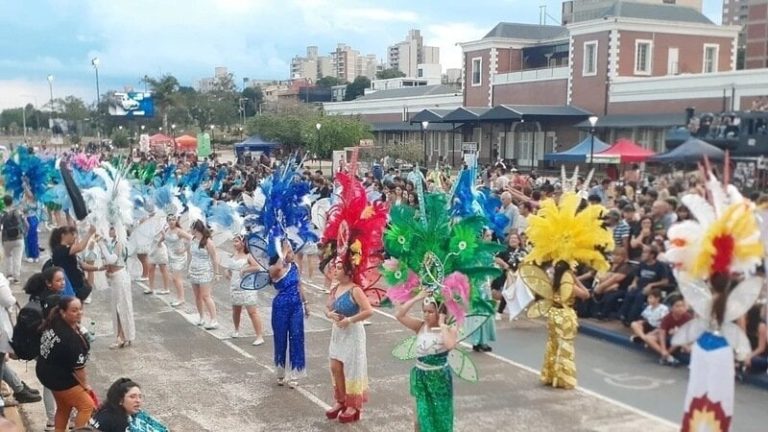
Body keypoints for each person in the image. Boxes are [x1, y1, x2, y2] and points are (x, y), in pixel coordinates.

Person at [396, 291, 458, 432]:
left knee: (439, 417)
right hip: (421, 377)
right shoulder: (420, 326)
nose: (426, 315)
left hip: (439, 379)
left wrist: (442, 324)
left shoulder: (450, 328)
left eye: (430, 311)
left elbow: (450, 345)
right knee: (419, 417)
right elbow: (399, 315)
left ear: (440, 312)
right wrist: (417, 297)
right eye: (424, 311)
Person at [324, 258, 373, 423]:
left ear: (348, 271)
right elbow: (327, 308)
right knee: (335, 366)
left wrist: (349, 320)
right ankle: (340, 400)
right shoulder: (335, 288)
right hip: (337, 333)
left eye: (339, 268)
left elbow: (368, 311)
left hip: (353, 333)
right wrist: (330, 314)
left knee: (352, 370)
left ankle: (353, 405)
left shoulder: (355, 290)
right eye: (335, 267)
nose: (335, 270)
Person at [35, 297, 94, 432]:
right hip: (60, 379)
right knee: (87, 406)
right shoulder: (71, 340)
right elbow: (79, 370)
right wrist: (85, 386)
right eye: (74, 310)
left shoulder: (54, 322)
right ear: (63, 312)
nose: (79, 313)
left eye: (80, 309)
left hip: (46, 373)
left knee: (64, 406)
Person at [268, 239, 309, 388]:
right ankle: (280, 372)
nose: (292, 254)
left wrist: (305, 303)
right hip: (280, 307)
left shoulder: (295, 266)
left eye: (292, 251)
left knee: (297, 337)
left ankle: (294, 373)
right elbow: (277, 269)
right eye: (290, 251)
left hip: (296, 306)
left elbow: (299, 285)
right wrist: (283, 253)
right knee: (280, 338)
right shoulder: (274, 267)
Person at [97, 227, 135, 349]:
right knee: (117, 307)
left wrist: (101, 245)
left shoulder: (120, 243)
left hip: (120, 277)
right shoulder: (114, 242)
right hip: (116, 277)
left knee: (122, 308)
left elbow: (111, 259)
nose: (110, 230)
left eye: (112, 228)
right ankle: (123, 335)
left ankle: (122, 336)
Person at [224, 235, 265, 346]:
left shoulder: (249, 255)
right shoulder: (234, 255)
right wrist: (227, 272)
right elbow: (229, 268)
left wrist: (245, 270)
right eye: (234, 242)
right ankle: (236, 330)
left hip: (247, 287)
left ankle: (259, 336)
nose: (234, 244)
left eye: (236, 241)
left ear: (243, 243)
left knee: (252, 312)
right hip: (235, 286)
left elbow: (257, 267)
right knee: (236, 310)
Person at [89, 378, 167, 432]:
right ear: (120, 400)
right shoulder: (114, 420)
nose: (138, 400)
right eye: (132, 397)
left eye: (140, 396)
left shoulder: (135, 415)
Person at [50, 226, 99, 300]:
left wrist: (99, 268)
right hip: (70, 287)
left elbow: (81, 264)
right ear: (63, 235)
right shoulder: (59, 250)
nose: (74, 237)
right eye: (72, 234)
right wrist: (89, 233)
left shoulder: (67, 250)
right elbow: (80, 247)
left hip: (76, 285)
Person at [188, 220, 219, 329]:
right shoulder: (192, 240)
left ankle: (214, 319)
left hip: (205, 271)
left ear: (196, 229)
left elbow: (214, 258)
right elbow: (190, 255)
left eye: (191, 228)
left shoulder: (208, 242)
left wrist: (216, 273)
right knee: (197, 296)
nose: (190, 230)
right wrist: (189, 269)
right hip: (193, 270)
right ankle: (201, 317)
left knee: (206, 296)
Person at [163, 214, 189, 307]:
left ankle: (181, 298)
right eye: (169, 220)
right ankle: (180, 297)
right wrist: (158, 243)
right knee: (174, 279)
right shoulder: (167, 230)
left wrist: (184, 249)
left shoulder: (179, 231)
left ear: (176, 221)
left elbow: (191, 239)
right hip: (171, 256)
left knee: (176, 278)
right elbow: (164, 237)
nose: (171, 221)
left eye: (173, 219)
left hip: (179, 257)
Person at [1, 195, 28, 284]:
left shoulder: (2, 213)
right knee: (18, 258)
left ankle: (9, 275)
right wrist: (24, 232)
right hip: (18, 238)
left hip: (6, 239)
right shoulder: (18, 212)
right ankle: (16, 277)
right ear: (12, 201)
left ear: (4, 202)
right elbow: (26, 224)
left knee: (8, 256)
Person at [23, 189, 40, 263]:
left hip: (30, 219)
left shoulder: (33, 199)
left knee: (30, 238)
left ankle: (32, 255)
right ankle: (33, 255)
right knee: (31, 238)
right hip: (31, 219)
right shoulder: (28, 199)